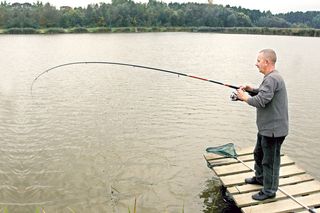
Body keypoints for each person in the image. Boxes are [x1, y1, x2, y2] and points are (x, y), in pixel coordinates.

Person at [236, 49, 288, 201]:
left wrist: (244, 97)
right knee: (258, 154)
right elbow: (264, 93)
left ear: (267, 62)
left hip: (274, 130)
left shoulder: (272, 78)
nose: (256, 64)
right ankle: (259, 178)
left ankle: (270, 191)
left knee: (270, 162)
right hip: (266, 128)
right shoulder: (271, 78)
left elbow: (261, 101)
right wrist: (252, 90)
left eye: (258, 61)